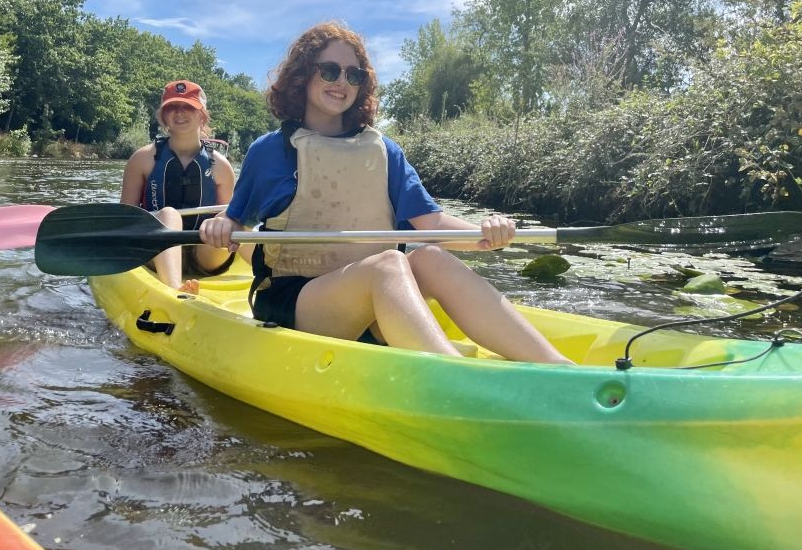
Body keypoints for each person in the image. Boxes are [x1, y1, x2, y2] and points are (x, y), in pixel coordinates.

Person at [200, 22, 571, 364]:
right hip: (295, 300)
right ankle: (456, 376)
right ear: (303, 75)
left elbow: (432, 223)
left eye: (354, 74)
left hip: (372, 301)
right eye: (329, 70)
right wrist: (220, 225)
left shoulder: (384, 151)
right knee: (389, 265)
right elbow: (234, 218)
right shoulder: (269, 151)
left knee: (430, 259)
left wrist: (486, 237)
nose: (341, 81)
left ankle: (559, 370)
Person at [120, 80, 237, 294]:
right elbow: (125, 218)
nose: (179, 113)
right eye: (172, 108)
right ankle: (176, 291)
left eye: (188, 107)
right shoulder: (143, 159)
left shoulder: (220, 166)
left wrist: (228, 221)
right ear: (163, 117)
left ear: (202, 115)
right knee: (168, 215)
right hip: (156, 252)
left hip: (205, 256)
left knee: (228, 215)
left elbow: (229, 219)